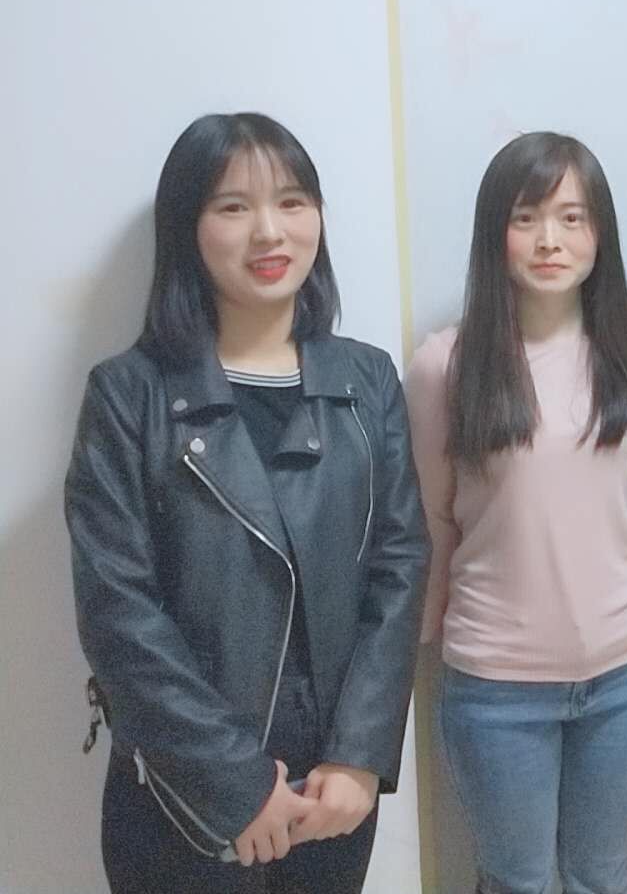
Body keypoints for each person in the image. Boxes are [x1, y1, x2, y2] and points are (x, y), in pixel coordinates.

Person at [66, 112, 430, 893]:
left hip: (333, 791)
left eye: (292, 201)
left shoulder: (366, 381)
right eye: (234, 206)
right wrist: (234, 781)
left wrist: (360, 755)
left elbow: (399, 567)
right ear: (188, 227)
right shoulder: (129, 395)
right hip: (178, 793)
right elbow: (117, 611)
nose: (270, 231)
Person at [404, 131, 627, 894]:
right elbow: (434, 520)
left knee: (602, 873)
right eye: (526, 218)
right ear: (496, 233)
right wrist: (414, 651)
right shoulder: (445, 366)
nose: (550, 240)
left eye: (572, 218)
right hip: (497, 683)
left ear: (600, 234)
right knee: (515, 879)